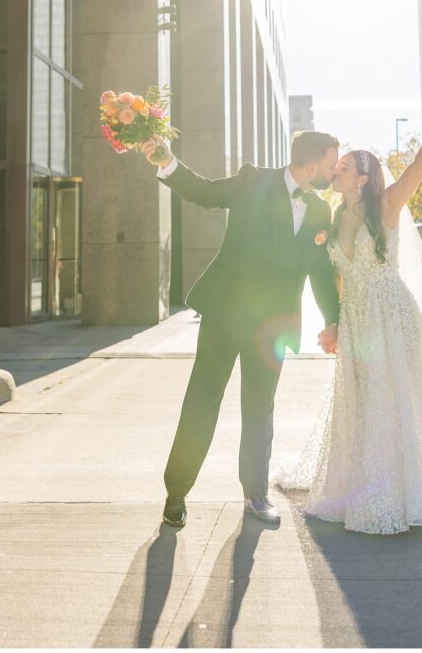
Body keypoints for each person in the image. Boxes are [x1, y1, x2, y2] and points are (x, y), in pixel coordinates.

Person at [274, 101, 422, 535]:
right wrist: (333, 323)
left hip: (391, 314)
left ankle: (399, 487)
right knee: (361, 399)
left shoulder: (387, 205)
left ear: (364, 177)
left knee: (395, 397)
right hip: (356, 318)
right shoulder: (331, 218)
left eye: (345, 166)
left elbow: (419, 167)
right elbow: (334, 278)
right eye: (338, 166)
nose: (336, 171)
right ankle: (357, 481)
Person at [139, 130, 341, 529]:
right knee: (202, 400)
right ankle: (176, 493)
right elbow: (205, 192)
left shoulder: (320, 211)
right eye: (332, 165)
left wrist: (332, 318)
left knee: (259, 410)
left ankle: (256, 494)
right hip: (225, 312)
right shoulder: (254, 181)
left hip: (276, 325)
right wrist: (167, 162)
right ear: (312, 164)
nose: (334, 173)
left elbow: (319, 269)